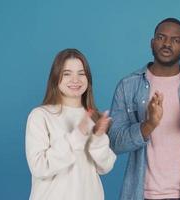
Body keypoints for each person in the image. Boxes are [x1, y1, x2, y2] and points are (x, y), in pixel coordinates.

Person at [108, 18, 180, 200]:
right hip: (141, 194)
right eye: (161, 37)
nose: (167, 44)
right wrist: (149, 124)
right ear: (152, 43)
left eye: (176, 40)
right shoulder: (127, 86)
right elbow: (114, 143)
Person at [25, 48, 116, 200]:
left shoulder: (94, 117)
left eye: (81, 73)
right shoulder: (40, 116)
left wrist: (99, 137)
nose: (75, 80)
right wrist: (78, 135)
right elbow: (39, 167)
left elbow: (105, 167)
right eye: (67, 73)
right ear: (56, 78)